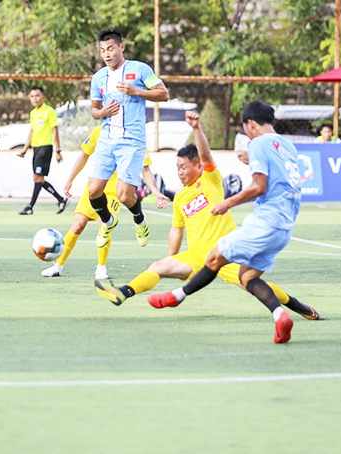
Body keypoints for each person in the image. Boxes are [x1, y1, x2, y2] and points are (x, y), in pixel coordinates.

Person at [95, 111, 319, 323]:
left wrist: (197, 127)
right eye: (177, 167)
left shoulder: (211, 180)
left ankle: (298, 306)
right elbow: (176, 229)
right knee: (158, 266)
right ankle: (123, 293)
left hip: (225, 253)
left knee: (253, 284)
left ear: (199, 167)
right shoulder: (181, 197)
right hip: (196, 256)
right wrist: (171, 257)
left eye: (184, 167)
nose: (180, 171)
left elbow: (206, 154)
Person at [146, 101, 305, 344]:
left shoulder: (259, 142)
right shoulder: (287, 145)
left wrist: (227, 203)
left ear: (251, 124)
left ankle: (176, 296)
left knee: (213, 259)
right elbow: (277, 174)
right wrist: (251, 160)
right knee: (248, 278)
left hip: (265, 222)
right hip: (284, 227)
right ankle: (280, 315)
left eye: (246, 130)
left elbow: (259, 187)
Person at [41, 125, 169, 280]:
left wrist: (156, 192)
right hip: (94, 187)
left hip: (116, 191)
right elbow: (84, 155)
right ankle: (58, 266)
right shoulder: (100, 130)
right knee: (78, 224)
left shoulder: (135, 135)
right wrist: (70, 179)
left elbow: (145, 168)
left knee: (104, 223)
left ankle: (101, 268)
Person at [88, 28, 170, 249]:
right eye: (103, 50)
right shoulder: (98, 78)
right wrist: (102, 112)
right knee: (93, 191)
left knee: (124, 196)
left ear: (121, 47)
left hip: (132, 141)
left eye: (111, 48)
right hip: (106, 140)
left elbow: (164, 94)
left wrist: (137, 92)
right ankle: (107, 221)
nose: (106, 54)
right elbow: (95, 111)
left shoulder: (140, 69)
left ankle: (139, 220)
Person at [17, 86, 68, 215]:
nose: (35, 98)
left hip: (45, 149)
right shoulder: (33, 113)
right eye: (32, 96)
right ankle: (61, 199)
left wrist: (58, 150)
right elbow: (32, 131)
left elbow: (54, 130)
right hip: (36, 148)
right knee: (39, 178)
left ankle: (30, 206)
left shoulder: (49, 111)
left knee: (38, 178)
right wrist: (25, 148)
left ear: (43, 97)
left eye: (37, 95)